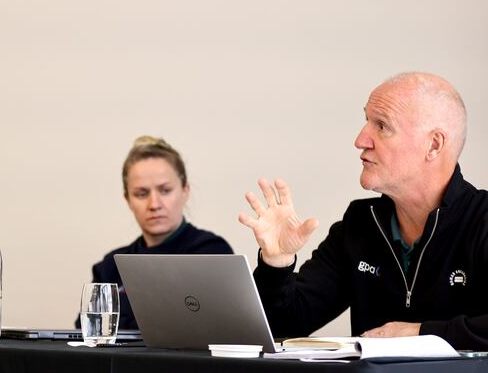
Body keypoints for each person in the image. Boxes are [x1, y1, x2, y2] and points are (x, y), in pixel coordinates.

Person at [239, 72, 488, 350]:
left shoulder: (482, 221)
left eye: (382, 126)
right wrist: (277, 263)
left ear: (434, 145)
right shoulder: (359, 224)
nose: (360, 140)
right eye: (367, 121)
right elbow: (281, 327)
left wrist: (422, 334)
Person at [86, 136, 233, 330]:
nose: (154, 204)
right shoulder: (111, 266)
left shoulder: (212, 253)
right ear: (128, 200)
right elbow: (90, 332)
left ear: (185, 191)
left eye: (165, 190)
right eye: (141, 194)